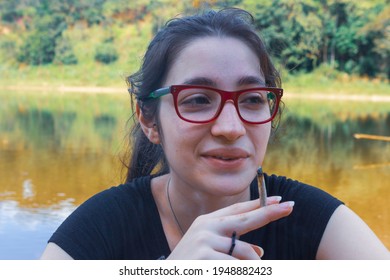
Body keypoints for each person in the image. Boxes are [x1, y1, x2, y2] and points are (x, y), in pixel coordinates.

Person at [41, 8, 389, 260]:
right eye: (197, 100)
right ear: (149, 121)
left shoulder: (311, 220)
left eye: (252, 99)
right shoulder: (101, 229)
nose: (230, 128)